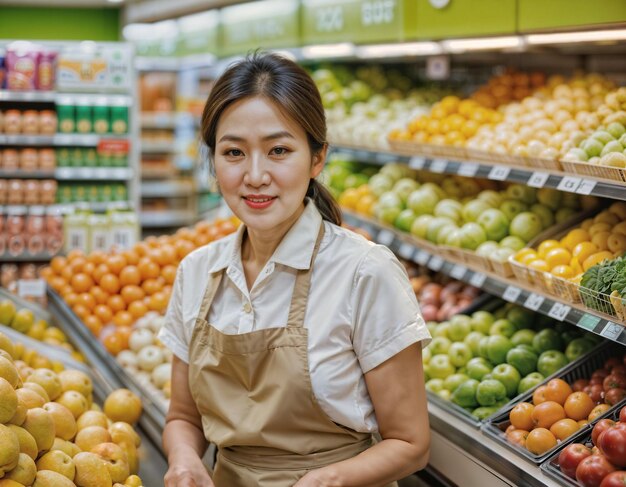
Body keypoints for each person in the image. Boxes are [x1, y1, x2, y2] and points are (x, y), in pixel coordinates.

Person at [159, 52, 431, 487]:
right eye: (233, 152)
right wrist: (185, 459)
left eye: (279, 150)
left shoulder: (364, 272)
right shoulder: (197, 272)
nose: (255, 175)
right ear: (214, 161)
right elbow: (182, 417)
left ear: (317, 158)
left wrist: (329, 479)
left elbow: (410, 444)